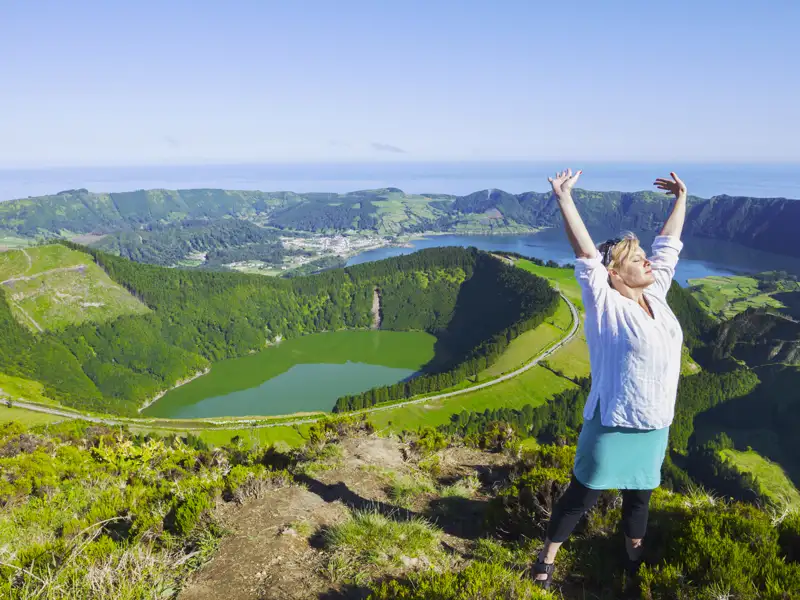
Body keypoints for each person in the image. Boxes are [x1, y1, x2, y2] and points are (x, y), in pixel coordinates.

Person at [532, 168, 688, 589]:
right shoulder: (605, 305)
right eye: (638, 260)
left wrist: (681, 199)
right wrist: (564, 199)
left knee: (641, 497)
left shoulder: (656, 294)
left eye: (644, 257)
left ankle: (632, 560)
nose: (648, 262)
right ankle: (547, 558)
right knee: (582, 495)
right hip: (614, 418)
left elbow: (668, 247)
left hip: (655, 421)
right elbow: (586, 254)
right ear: (615, 274)